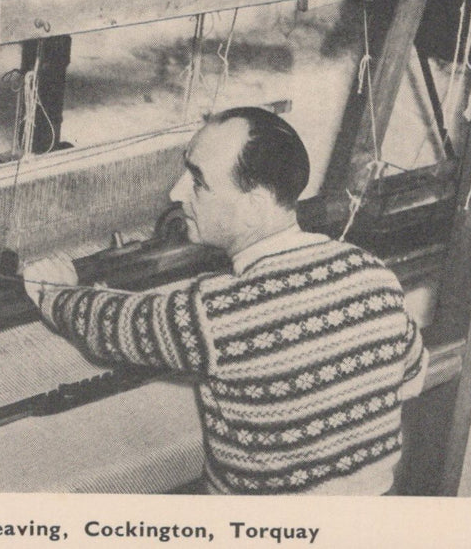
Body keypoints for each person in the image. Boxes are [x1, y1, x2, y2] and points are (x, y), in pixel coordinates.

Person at [23, 106, 428, 495]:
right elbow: (412, 376)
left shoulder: (222, 312)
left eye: (198, 182)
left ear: (253, 208)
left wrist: (54, 291)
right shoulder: (373, 273)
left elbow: (113, 327)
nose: (176, 192)